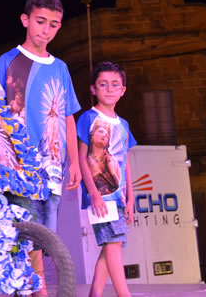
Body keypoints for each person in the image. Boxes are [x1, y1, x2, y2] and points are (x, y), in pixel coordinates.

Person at [0, 0, 81, 296]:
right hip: (19, 165)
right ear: (25, 20)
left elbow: (67, 116)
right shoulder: (8, 62)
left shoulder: (60, 68)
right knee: (32, 234)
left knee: (44, 235)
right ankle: (41, 293)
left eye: (54, 24)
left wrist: (74, 160)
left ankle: (22, 288)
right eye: (40, 21)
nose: (46, 30)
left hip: (52, 167)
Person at [77, 61, 137, 297]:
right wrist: (92, 192)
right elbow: (82, 159)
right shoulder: (88, 118)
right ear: (93, 89)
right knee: (113, 245)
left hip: (120, 197)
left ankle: (95, 293)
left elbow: (125, 162)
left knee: (113, 245)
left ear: (123, 89)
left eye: (115, 85)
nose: (109, 89)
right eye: (103, 84)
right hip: (101, 195)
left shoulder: (123, 124)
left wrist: (131, 197)